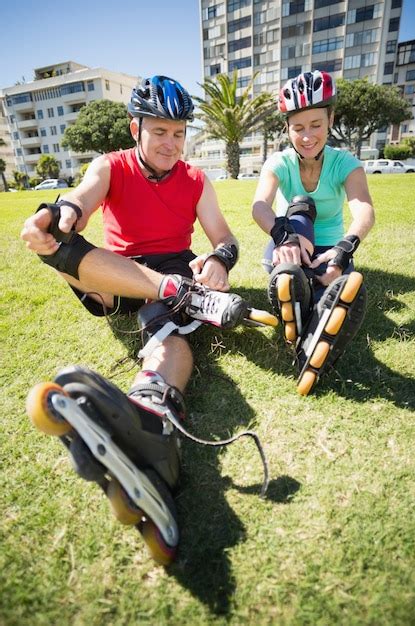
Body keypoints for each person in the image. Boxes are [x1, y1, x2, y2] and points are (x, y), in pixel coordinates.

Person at [21, 75, 245, 563]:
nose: (170, 143)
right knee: (57, 243)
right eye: (159, 131)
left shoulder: (195, 179)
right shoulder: (111, 165)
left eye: (179, 133)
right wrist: (59, 214)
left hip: (172, 266)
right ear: (135, 128)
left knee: (163, 328)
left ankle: (154, 413)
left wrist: (219, 262)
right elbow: (81, 198)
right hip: (115, 276)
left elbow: (224, 239)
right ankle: (172, 293)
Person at [252, 70, 375, 395]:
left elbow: (363, 209)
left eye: (316, 125)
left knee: (332, 282)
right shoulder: (278, 162)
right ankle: (305, 295)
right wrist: (283, 236)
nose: (307, 137)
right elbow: (260, 206)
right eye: (298, 128)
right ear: (287, 128)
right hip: (288, 245)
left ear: (330, 118)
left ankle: (309, 325)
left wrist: (344, 249)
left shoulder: (345, 163)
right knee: (301, 206)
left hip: (328, 251)